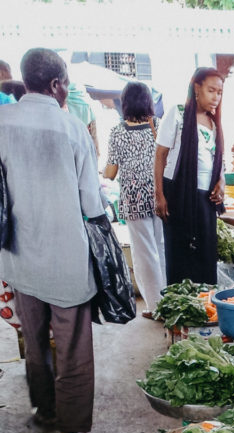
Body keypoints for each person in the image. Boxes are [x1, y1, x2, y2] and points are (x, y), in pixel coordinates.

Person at [0, 47, 106, 433]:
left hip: (18, 257)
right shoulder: (73, 128)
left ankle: (45, 408)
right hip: (67, 258)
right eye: (66, 84)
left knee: (35, 339)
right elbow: (92, 203)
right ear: (57, 84)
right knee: (72, 343)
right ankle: (71, 423)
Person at [155, 67, 225, 286]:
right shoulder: (177, 113)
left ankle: (204, 307)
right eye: (211, 90)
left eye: (220, 92)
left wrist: (221, 182)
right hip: (177, 194)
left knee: (205, 253)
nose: (216, 97)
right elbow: (160, 156)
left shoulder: (213, 123)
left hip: (205, 198)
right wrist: (159, 195)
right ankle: (180, 311)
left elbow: (218, 161)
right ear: (197, 88)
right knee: (180, 254)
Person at [103, 80, 166, 318]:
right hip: (160, 196)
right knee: (161, 249)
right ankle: (169, 301)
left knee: (144, 253)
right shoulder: (158, 126)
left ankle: (155, 306)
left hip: (133, 198)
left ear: (125, 103)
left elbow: (110, 173)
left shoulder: (118, 131)